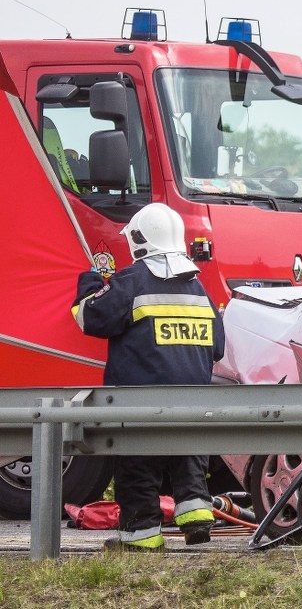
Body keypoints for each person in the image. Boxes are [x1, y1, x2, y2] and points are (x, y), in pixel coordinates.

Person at [71, 203, 225, 551]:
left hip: (139, 403)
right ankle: (196, 515)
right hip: (194, 404)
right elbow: (217, 348)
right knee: (188, 457)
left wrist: (90, 282)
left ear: (139, 240)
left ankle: (141, 537)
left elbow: (90, 318)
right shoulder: (199, 289)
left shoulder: (131, 281)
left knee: (137, 466)